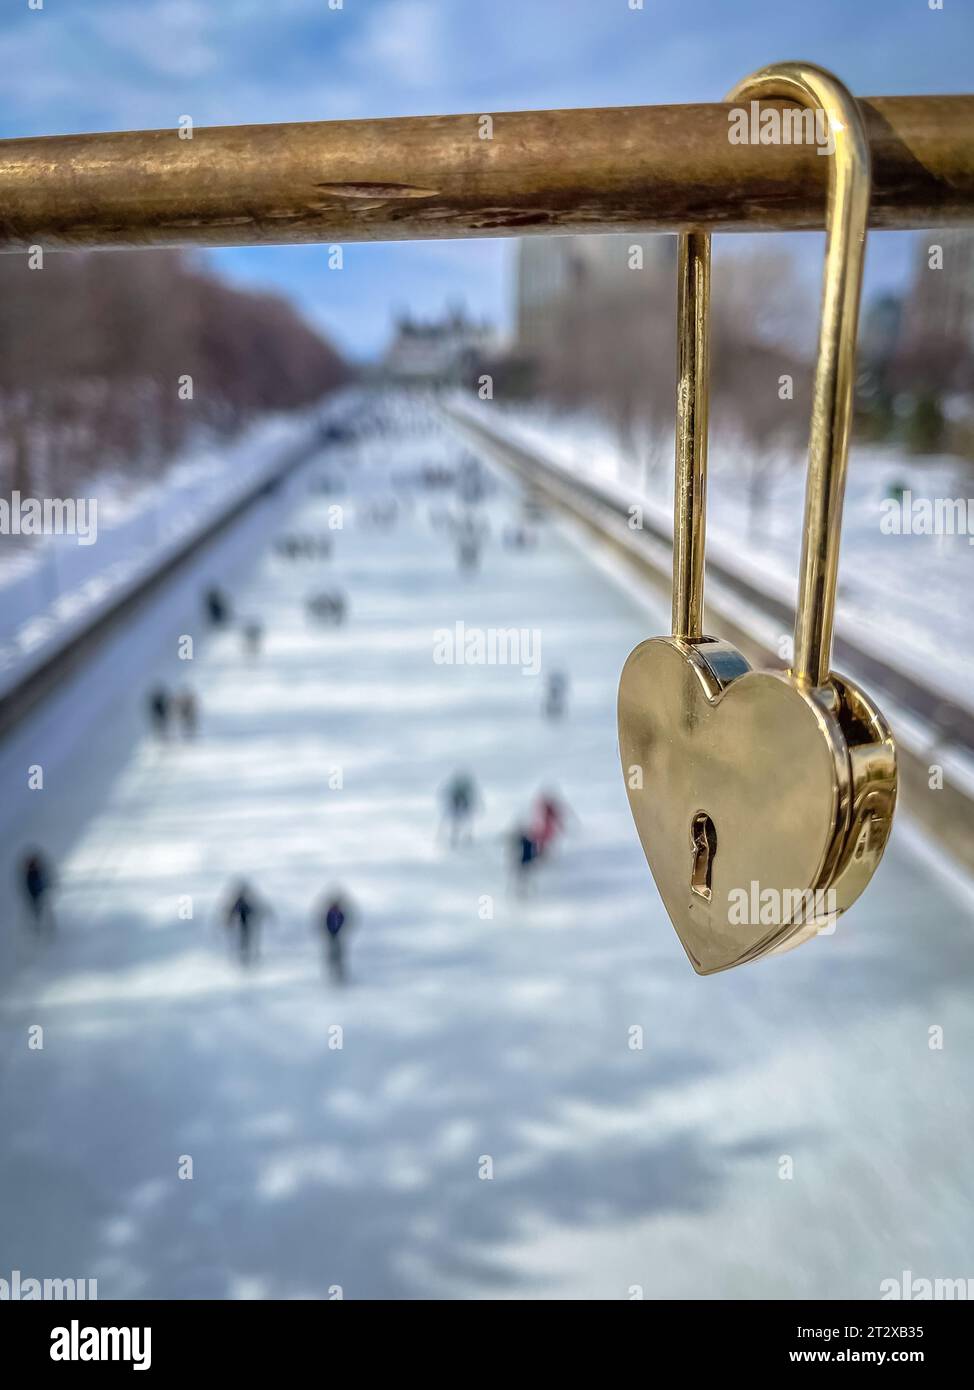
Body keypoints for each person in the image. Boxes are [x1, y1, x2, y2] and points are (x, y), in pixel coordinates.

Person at [223, 881, 267, 966]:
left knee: (248, 939)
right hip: (241, 924)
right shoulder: (242, 900)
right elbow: (233, 911)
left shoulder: (246, 900)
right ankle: (244, 955)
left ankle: (248, 955)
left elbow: (255, 910)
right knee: (244, 940)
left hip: (247, 923)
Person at [318, 891, 355, 984]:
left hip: (338, 936)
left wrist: (341, 931)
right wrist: (328, 932)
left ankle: (340, 973)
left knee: (340, 954)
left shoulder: (340, 913)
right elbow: (325, 923)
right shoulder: (329, 913)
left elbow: (344, 921)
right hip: (331, 936)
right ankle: (331, 973)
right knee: (331, 954)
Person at [441, 771, 480, 846]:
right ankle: (464, 836)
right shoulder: (462, 786)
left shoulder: (459, 786)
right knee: (461, 819)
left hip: (460, 801)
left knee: (459, 820)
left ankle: (462, 836)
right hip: (458, 801)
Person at [21, 850, 55, 933]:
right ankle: (37, 928)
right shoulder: (30, 874)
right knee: (38, 912)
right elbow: (29, 886)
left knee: (44, 911)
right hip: (35, 895)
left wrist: (46, 887)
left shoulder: (38, 871)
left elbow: (45, 880)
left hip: (41, 893)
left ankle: (47, 928)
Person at [531, 790, 569, 858]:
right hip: (543, 830)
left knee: (542, 842)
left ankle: (541, 854)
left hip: (546, 830)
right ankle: (540, 854)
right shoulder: (543, 809)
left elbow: (557, 819)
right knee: (541, 842)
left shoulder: (549, 810)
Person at [508, 824, 537, 896]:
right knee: (521, 877)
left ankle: (524, 891)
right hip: (522, 861)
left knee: (524, 877)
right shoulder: (526, 841)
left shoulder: (528, 842)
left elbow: (533, 852)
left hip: (525, 861)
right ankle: (520, 891)